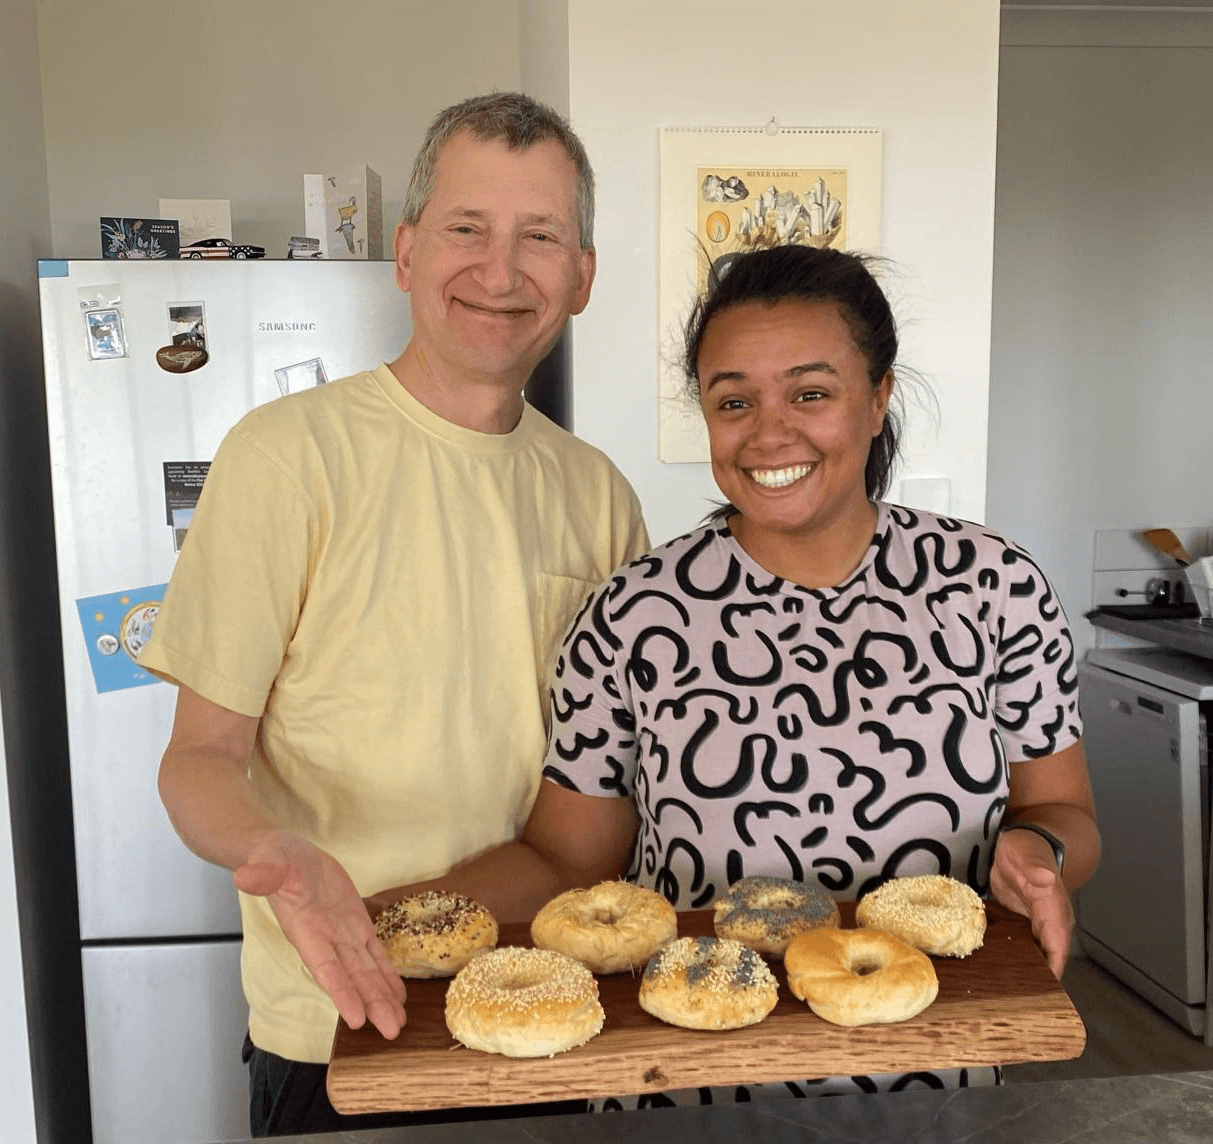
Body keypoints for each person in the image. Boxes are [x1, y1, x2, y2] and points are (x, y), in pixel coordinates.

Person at [410, 242, 1100, 1105]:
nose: (769, 432)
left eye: (810, 393)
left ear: (878, 397)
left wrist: (1038, 852)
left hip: (938, 1071)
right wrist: (380, 915)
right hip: (686, 1087)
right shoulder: (635, 614)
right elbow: (561, 858)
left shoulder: (992, 586)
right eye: (733, 400)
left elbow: (1062, 812)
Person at [142, 92, 648, 1136]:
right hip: (341, 1019)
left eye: (539, 237)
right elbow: (197, 757)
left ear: (582, 276)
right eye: (467, 228)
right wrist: (275, 854)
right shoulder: (286, 456)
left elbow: (615, 768)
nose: (500, 272)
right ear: (407, 252)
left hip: (542, 1006)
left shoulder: (599, 494)